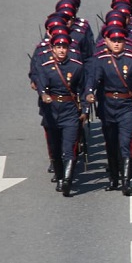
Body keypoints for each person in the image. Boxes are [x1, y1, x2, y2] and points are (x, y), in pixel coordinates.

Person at [85, 26, 132, 195]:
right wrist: (90, 93)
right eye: (113, 41)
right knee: (111, 144)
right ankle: (114, 178)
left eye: (120, 41)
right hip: (107, 107)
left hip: (126, 106)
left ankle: (126, 181)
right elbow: (93, 80)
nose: (117, 44)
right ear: (106, 41)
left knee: (125, 143)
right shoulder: (101, 61)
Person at [33, 34, 86, 196]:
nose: (62, 50)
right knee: (55, 149)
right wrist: (44, 96)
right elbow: (41, 86)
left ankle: (67, 180)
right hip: (52, 111)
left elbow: (83, 89)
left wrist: (85, 109)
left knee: (69, 147)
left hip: (70, 110)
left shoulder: (76, 67)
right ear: (52, 49)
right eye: (58, 47)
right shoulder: (45, 66)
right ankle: (60, 176)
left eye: (64, 47)